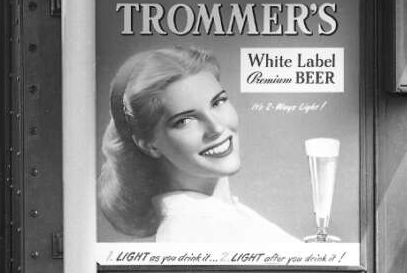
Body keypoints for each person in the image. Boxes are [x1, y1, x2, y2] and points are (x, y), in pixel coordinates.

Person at [96, 45, 296, 250]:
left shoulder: (220, 215)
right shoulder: (190, 230)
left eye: (218, 102)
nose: (216, 128)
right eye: (184, 121)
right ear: (149, 145)